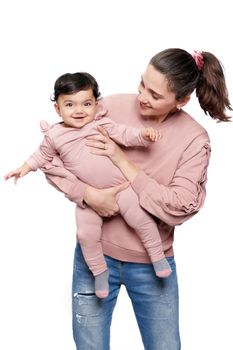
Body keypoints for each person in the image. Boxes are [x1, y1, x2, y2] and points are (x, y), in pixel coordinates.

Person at [33, 48, 231, 350]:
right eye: (142, 84)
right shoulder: (108, 107)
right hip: (93, 257)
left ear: (181, 101)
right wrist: (88, 194)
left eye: (154, 94)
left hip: (152, 266)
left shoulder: (194, 139)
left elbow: (180, 205)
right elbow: (53, 156)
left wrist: (122, 161)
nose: (141, 97)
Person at [4, 72, 172, 299]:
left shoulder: (101, 124)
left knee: (141, 219)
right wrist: (24, 168)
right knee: (86, 234)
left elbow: (125, 134)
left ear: (96, 105)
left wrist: (143, 135)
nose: (79, 110)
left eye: (87, 103)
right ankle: (100, 272)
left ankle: (157, 256)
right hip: (88, 200)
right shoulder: (55, 135)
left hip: (120, 187)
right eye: (70, 104)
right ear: (57, 109)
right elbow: (41, 156)